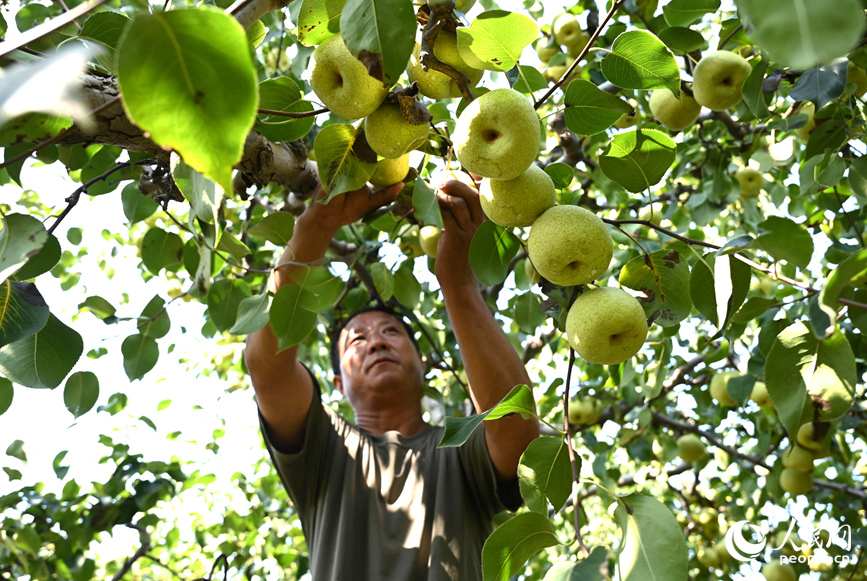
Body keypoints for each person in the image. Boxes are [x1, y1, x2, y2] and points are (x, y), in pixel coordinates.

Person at [244, 176, 540, 580]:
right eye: (357, 341)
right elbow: (267, 367)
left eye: (390, 333)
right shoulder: (323, 448)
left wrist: (458, 285)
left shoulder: (461, 448)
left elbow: (518, 430)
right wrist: (316, 224)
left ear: (422, 361)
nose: (376, 343)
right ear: (337, 383)